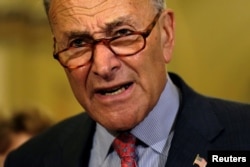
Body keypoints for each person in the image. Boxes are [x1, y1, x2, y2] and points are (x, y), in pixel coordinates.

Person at [4, 0, 250, 166]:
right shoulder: (31, 160)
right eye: (78, 43)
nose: (103, 66)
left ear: (166, 34)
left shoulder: (243, 136)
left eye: (122, 33)